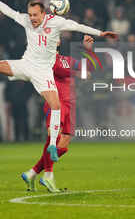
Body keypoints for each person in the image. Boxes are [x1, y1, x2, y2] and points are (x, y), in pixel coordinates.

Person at [0, 0, 117, 163]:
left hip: (43, 72)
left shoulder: (56, 22)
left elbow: (77, 26)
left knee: (55, 105)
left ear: (44, 13)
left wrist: (101, 33)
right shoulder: (26, 20)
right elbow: (8, 11)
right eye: (30, 14)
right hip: (26, 65)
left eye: (35, 15)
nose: (32, 18)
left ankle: (51, 145)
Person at [21, 35, 94, 192]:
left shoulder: (65, 59)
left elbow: (88, 67)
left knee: (64, 143)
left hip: (70, 103)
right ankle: (48, 176)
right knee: (54, 138)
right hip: (56, 103)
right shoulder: (46, 60)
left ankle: (32, 173)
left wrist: (88, 51)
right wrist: (79, 74)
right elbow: (61, 72)